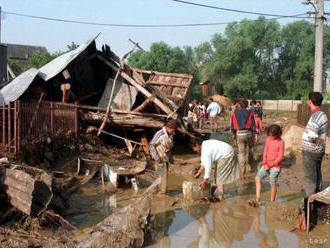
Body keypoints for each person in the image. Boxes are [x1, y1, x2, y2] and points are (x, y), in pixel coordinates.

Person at [298, 92, 328, 231]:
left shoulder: (316, 116)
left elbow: (313, 134)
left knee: (309, 182)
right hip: (317, 150)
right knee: (316, 178)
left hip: (311, 152)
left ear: (310, 101)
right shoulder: (321, 114)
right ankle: (315, 207)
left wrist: (312, 140)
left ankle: (307, 216)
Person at [249, 124, 284, 207]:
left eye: (273, 136)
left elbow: (280, 157)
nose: (271, 137)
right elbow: (265, 151)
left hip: (275, 166)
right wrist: (264, 162)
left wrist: (270, 165)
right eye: (270, 135)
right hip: (266, 164)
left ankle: (272, 202)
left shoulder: (281, 142)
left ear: (277, 134)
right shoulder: (268, 139)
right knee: (257, 178)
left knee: (272, 183)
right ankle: (257, 199)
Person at [149, 120, 178, 193]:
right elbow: (151, 145)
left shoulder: (170, 134)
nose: (173, 132)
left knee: (162, 176)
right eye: (172, 130)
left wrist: (171, 158)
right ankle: (161, 193)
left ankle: (158, 191)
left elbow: (169, 147)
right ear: (167, 128)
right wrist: (156, 157)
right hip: (160, 158)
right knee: (162, 176)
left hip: (166, 157)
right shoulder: (160, 134)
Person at [230, 99, 256, 176]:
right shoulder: (250, 112)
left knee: (241, 152)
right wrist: (254, 134)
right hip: (248, 133)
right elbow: (253, 124)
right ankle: (250, 164)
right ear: (247, 105)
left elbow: (232, 126)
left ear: (239, 105)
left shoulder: (235, 113)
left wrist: (234, 135)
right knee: (251, 148)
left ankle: (242, 169)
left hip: (239, 134)